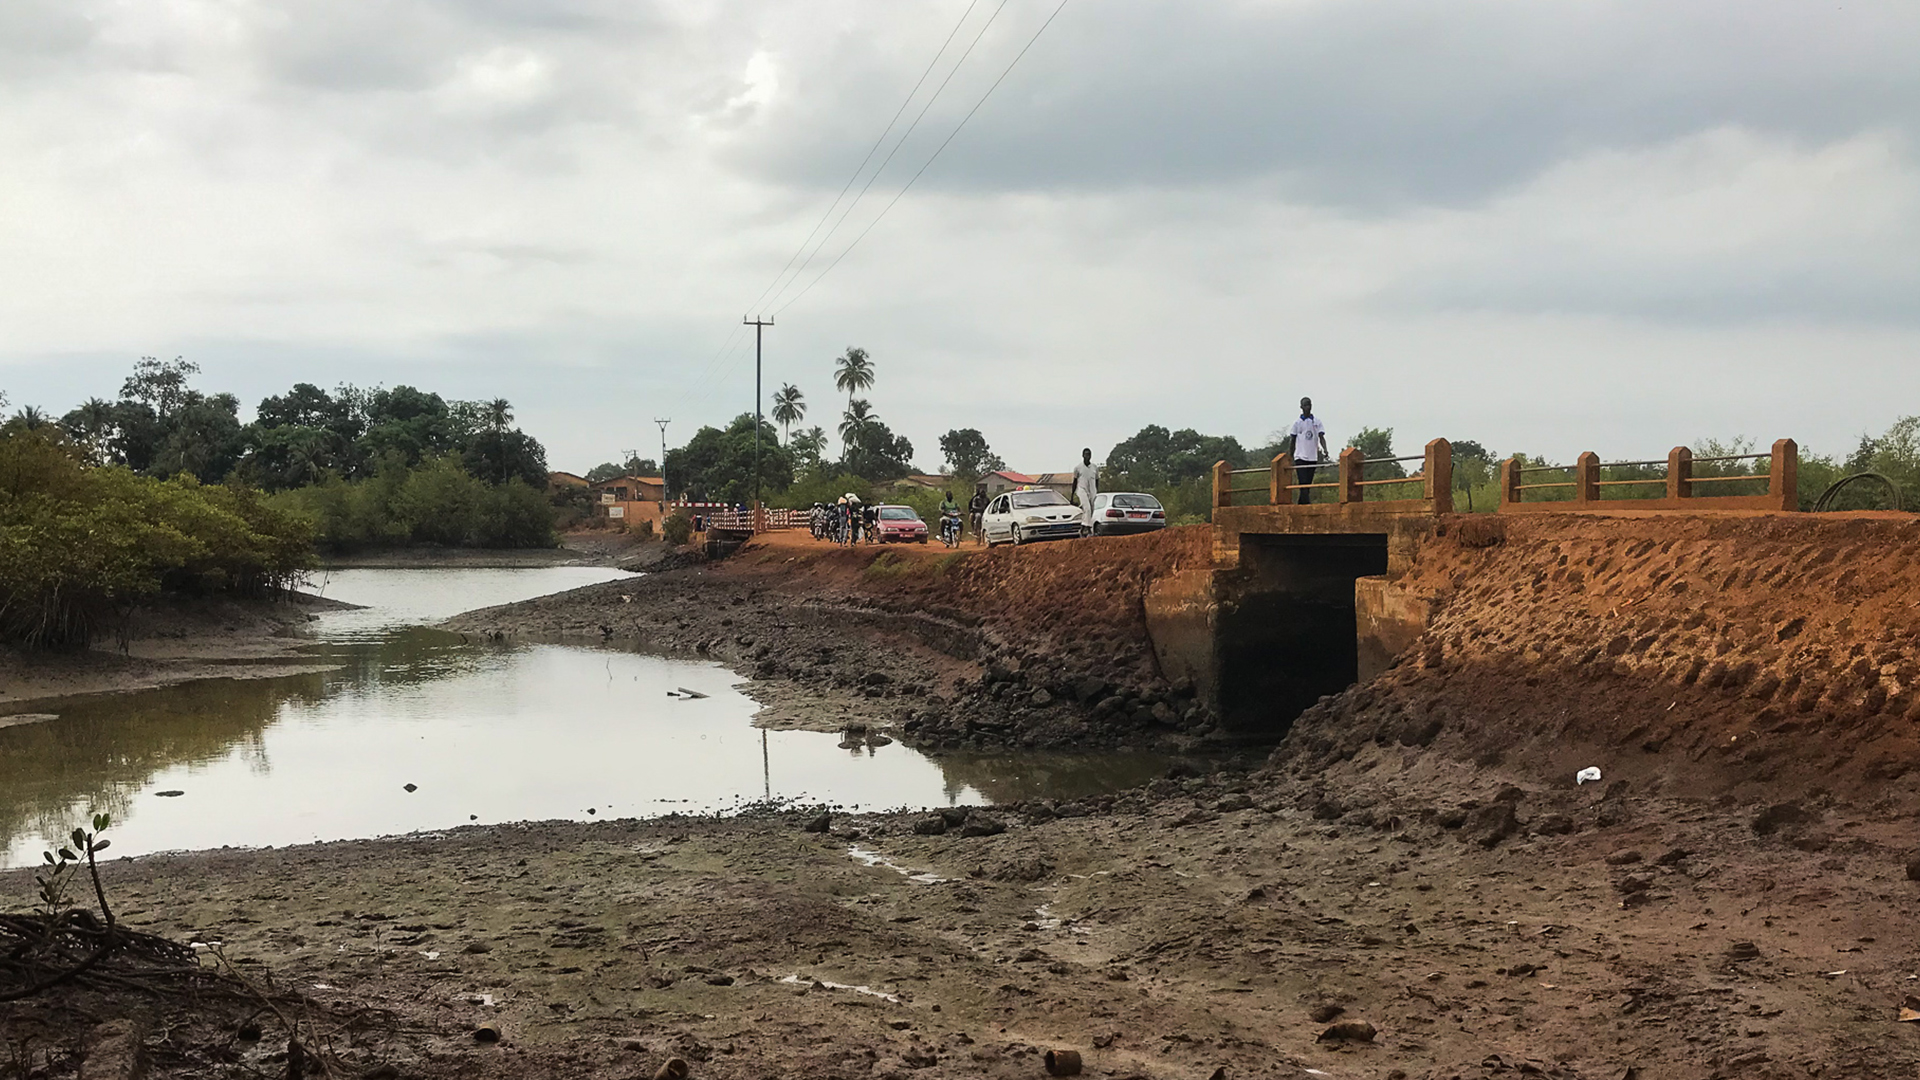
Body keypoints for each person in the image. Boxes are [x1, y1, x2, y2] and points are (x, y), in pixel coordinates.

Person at [1288, 397, 1328, 505]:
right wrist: (1290, 456)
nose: (1308, 407)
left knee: (1308, 484)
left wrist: (1325, 449)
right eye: (1305, 405)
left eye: (1309, 405)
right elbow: (1293, 439)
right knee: (1303, 482)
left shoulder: (1316, 421)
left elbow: (1321, 436)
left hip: (1312, 457)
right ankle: (1307, 504)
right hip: (1300, 457)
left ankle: (1301, 504)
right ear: (1301, 407)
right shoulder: (1297, 423)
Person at [1072, 448, 1099, 528]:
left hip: (1092, 490)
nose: (1087, 456)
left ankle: (1083, 527)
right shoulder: (1078, 468)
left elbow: (1097, 480)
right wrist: (1072, 495)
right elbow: (1075, 481)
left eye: (1089, 455)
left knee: (1091, 509)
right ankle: (1087, 527)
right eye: (1086, 454)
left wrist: (1096, 490)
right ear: (1083, 455)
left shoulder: (1094, 467)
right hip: (1081, 489)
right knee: (1087, 508)